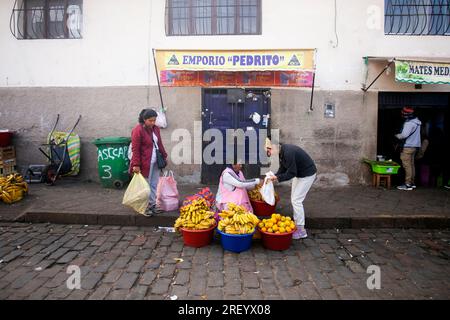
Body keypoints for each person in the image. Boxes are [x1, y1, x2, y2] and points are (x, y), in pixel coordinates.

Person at [265, 138, 317, 239]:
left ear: (275, 147)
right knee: (294, 199)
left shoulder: (288, 152)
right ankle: (297, 224)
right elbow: (284, 168)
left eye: (269, 150)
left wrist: (277, 178)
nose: (269, 153)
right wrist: (275, 176)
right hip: (300, 174)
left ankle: (301, 230)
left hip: (307, 175)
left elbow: (292, 172)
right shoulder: (282, 152)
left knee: (296, 200)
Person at [130, 109, 168, 216]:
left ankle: (152, 205)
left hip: (155, 161)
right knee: (144, 187)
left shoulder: (155, 129)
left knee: (153, 184)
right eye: (150, 121)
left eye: (154, 120)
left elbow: (159, 143)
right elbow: (135, 149)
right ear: (144, 119)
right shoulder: (137, 130)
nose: (152, 123)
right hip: (144, 163)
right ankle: (144, 207)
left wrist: (164, 156)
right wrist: (136, 164)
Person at [395, 107, 421, 191]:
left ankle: (408, 184)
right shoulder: (417, 122)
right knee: (412, 165)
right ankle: (412, 183)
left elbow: (404, 135)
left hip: (407, 146)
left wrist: (397, 135)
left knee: (407, 165)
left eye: (403, 114)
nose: (402, 115)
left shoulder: (409, 123)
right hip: (414, 146)